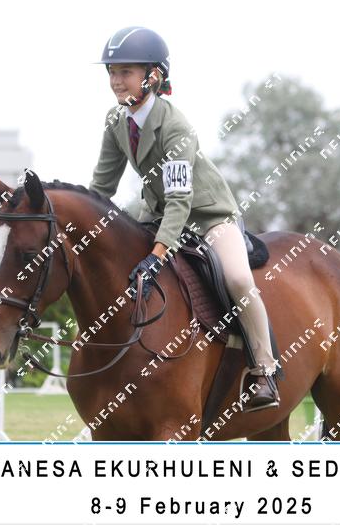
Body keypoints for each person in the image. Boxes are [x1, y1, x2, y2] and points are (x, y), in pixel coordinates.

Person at [88, 26, 279, 411]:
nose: (115, 81)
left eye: (125, 72)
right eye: (112, 71)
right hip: (156, 214)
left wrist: (157, 254)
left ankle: (264, 371)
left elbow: (180, 200)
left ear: (153, 76)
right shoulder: (116, 121)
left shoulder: (176, 127)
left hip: (208, 217)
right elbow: (101, 188)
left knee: (239, 279)